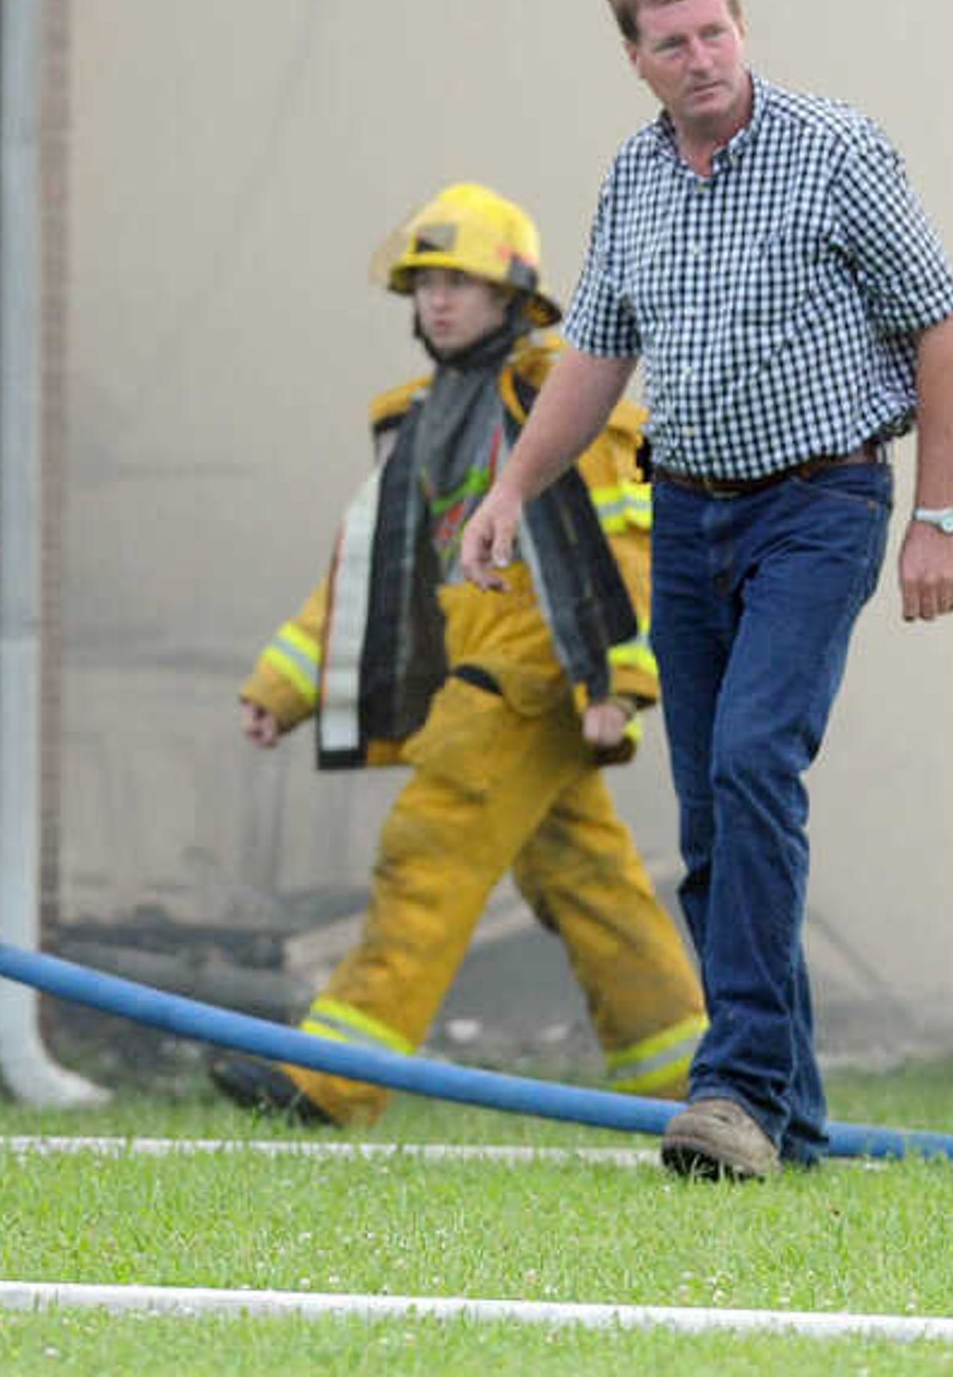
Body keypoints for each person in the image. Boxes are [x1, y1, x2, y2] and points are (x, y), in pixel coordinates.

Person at [457, 0, 953, 1181]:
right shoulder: (634, 176)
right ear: (635, 59)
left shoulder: (839, 151)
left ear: (743, 27)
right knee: (711, 817)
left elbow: (945, 325)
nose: (702, 59)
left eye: (716, 33)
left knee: (755, 760)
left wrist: (937, 518)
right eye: (673, 43)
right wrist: (514, 487)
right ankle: (784, 1118)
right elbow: (597, 348)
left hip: (824, 500)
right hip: (687, 515)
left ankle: (732, 1085)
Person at [209, 180, 706, 1127]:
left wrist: (617, 681)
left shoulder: (566, 402)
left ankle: (330, 1085)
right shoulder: (424, 421)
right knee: (592, 886)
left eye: (463, 285)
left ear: (515, 300)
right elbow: (372, 579)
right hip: (482, 682)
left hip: (521, 675)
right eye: (425, 284)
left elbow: (628, 548)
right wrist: (287, 683)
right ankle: (695, 1088)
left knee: (426, 851)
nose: (439, 302)